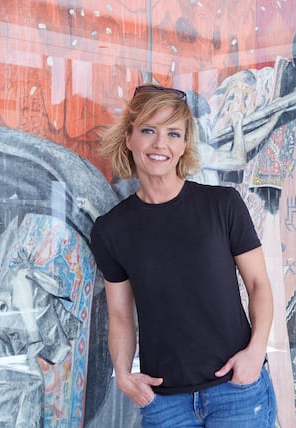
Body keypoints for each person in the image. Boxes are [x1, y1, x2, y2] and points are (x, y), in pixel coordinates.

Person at [90, 84, 277, 427]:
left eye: (173, 134)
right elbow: (119, 314)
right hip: (165, 403)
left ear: (184, 144)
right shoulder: (111, 230)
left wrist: (255, 353)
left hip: (236, 392)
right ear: (129, 138)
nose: (161, 144)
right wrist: (122, 373)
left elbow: (259, 285)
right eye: (149, 131)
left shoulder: (223, 206)